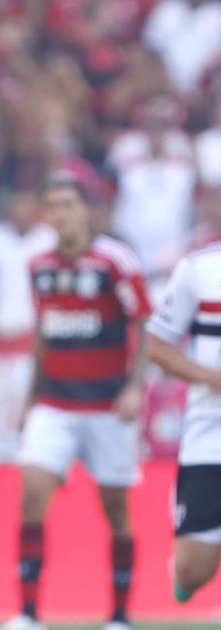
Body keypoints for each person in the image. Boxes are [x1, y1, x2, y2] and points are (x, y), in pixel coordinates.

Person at [0, 175, 152, 630]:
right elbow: (44, 331)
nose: (59, 214)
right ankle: (27, 614)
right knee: (31, 497)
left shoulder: (114, 262)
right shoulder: (40, 265)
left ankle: (120, 616)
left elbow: (143, 323)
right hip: (55, 404)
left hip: (108, 406)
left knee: (116, 511)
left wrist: (134, 386)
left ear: (87, 210)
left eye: (67, 204)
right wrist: (30, 397)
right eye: (52, 206)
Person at [145, 241, 221, 603]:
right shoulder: (199, 269)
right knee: (195, 569)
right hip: (211, 428)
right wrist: (211, 377)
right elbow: (157, 346)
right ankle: (186, 571)